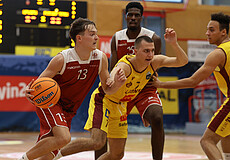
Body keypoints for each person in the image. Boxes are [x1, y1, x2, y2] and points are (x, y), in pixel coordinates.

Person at [53, 28, 188, 160]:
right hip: (104, 101)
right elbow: (112, 77)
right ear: (135, 51)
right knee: (97, 142)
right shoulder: (126, 66)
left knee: (117, 154)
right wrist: (114, 80)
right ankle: (55, 155)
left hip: (120, 106)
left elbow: (182, 61)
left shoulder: (154, 62)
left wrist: (174, 44)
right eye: (146, 51)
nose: (150, 55)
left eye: (152, 51)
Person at [19, 17, 125, 160]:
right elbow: (39, 84)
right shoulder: (62, 59)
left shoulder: (100, 58)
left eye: (96, 34)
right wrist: (29, 90)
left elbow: (107, 89)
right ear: (79, 38)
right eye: (92, 34)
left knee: (49, 154)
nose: (96, 37)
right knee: (63, 138)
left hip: (69, 109)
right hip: (51, 102)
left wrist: (117, 84)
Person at [152, 12, 230, 160]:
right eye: (207, 29)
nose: (207, 33)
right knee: (224, 130)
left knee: (207, 140)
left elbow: (192, 81)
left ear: (223, 32)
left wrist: (161, 84)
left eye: (212, 30)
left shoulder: (218, 54)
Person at [96, 2, 164, 160]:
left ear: (141, 17)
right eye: (130, 15)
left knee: (157, 117)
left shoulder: (153, 37)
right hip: (121, 89)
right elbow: (112, 68)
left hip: (143, 87)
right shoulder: (117, 37)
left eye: (136, 15)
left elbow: (155, 65)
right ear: (125, 16)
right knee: (103, 128)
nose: (133, 18)